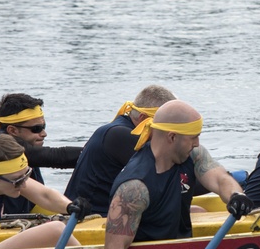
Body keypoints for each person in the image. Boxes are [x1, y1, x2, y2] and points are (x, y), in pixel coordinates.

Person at [101, 100, 253, 249]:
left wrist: (235, 196)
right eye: (193, 137)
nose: (198, 143)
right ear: (172, 137)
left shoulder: (192, 155)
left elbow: (220, 178)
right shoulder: (135, 187)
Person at [0, 93, 83, 214]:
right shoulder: (4, 148)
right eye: (36, 129)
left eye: (44, 126)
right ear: (12, 130)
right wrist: (94, 152)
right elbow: (55, 157)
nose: (44, 133)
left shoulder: (24, 142)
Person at [65, 85, 176, 216]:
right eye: (167, 124)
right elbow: (166, 181)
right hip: (91, 216)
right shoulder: (121, 136)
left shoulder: (118, 128)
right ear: (142, 118)